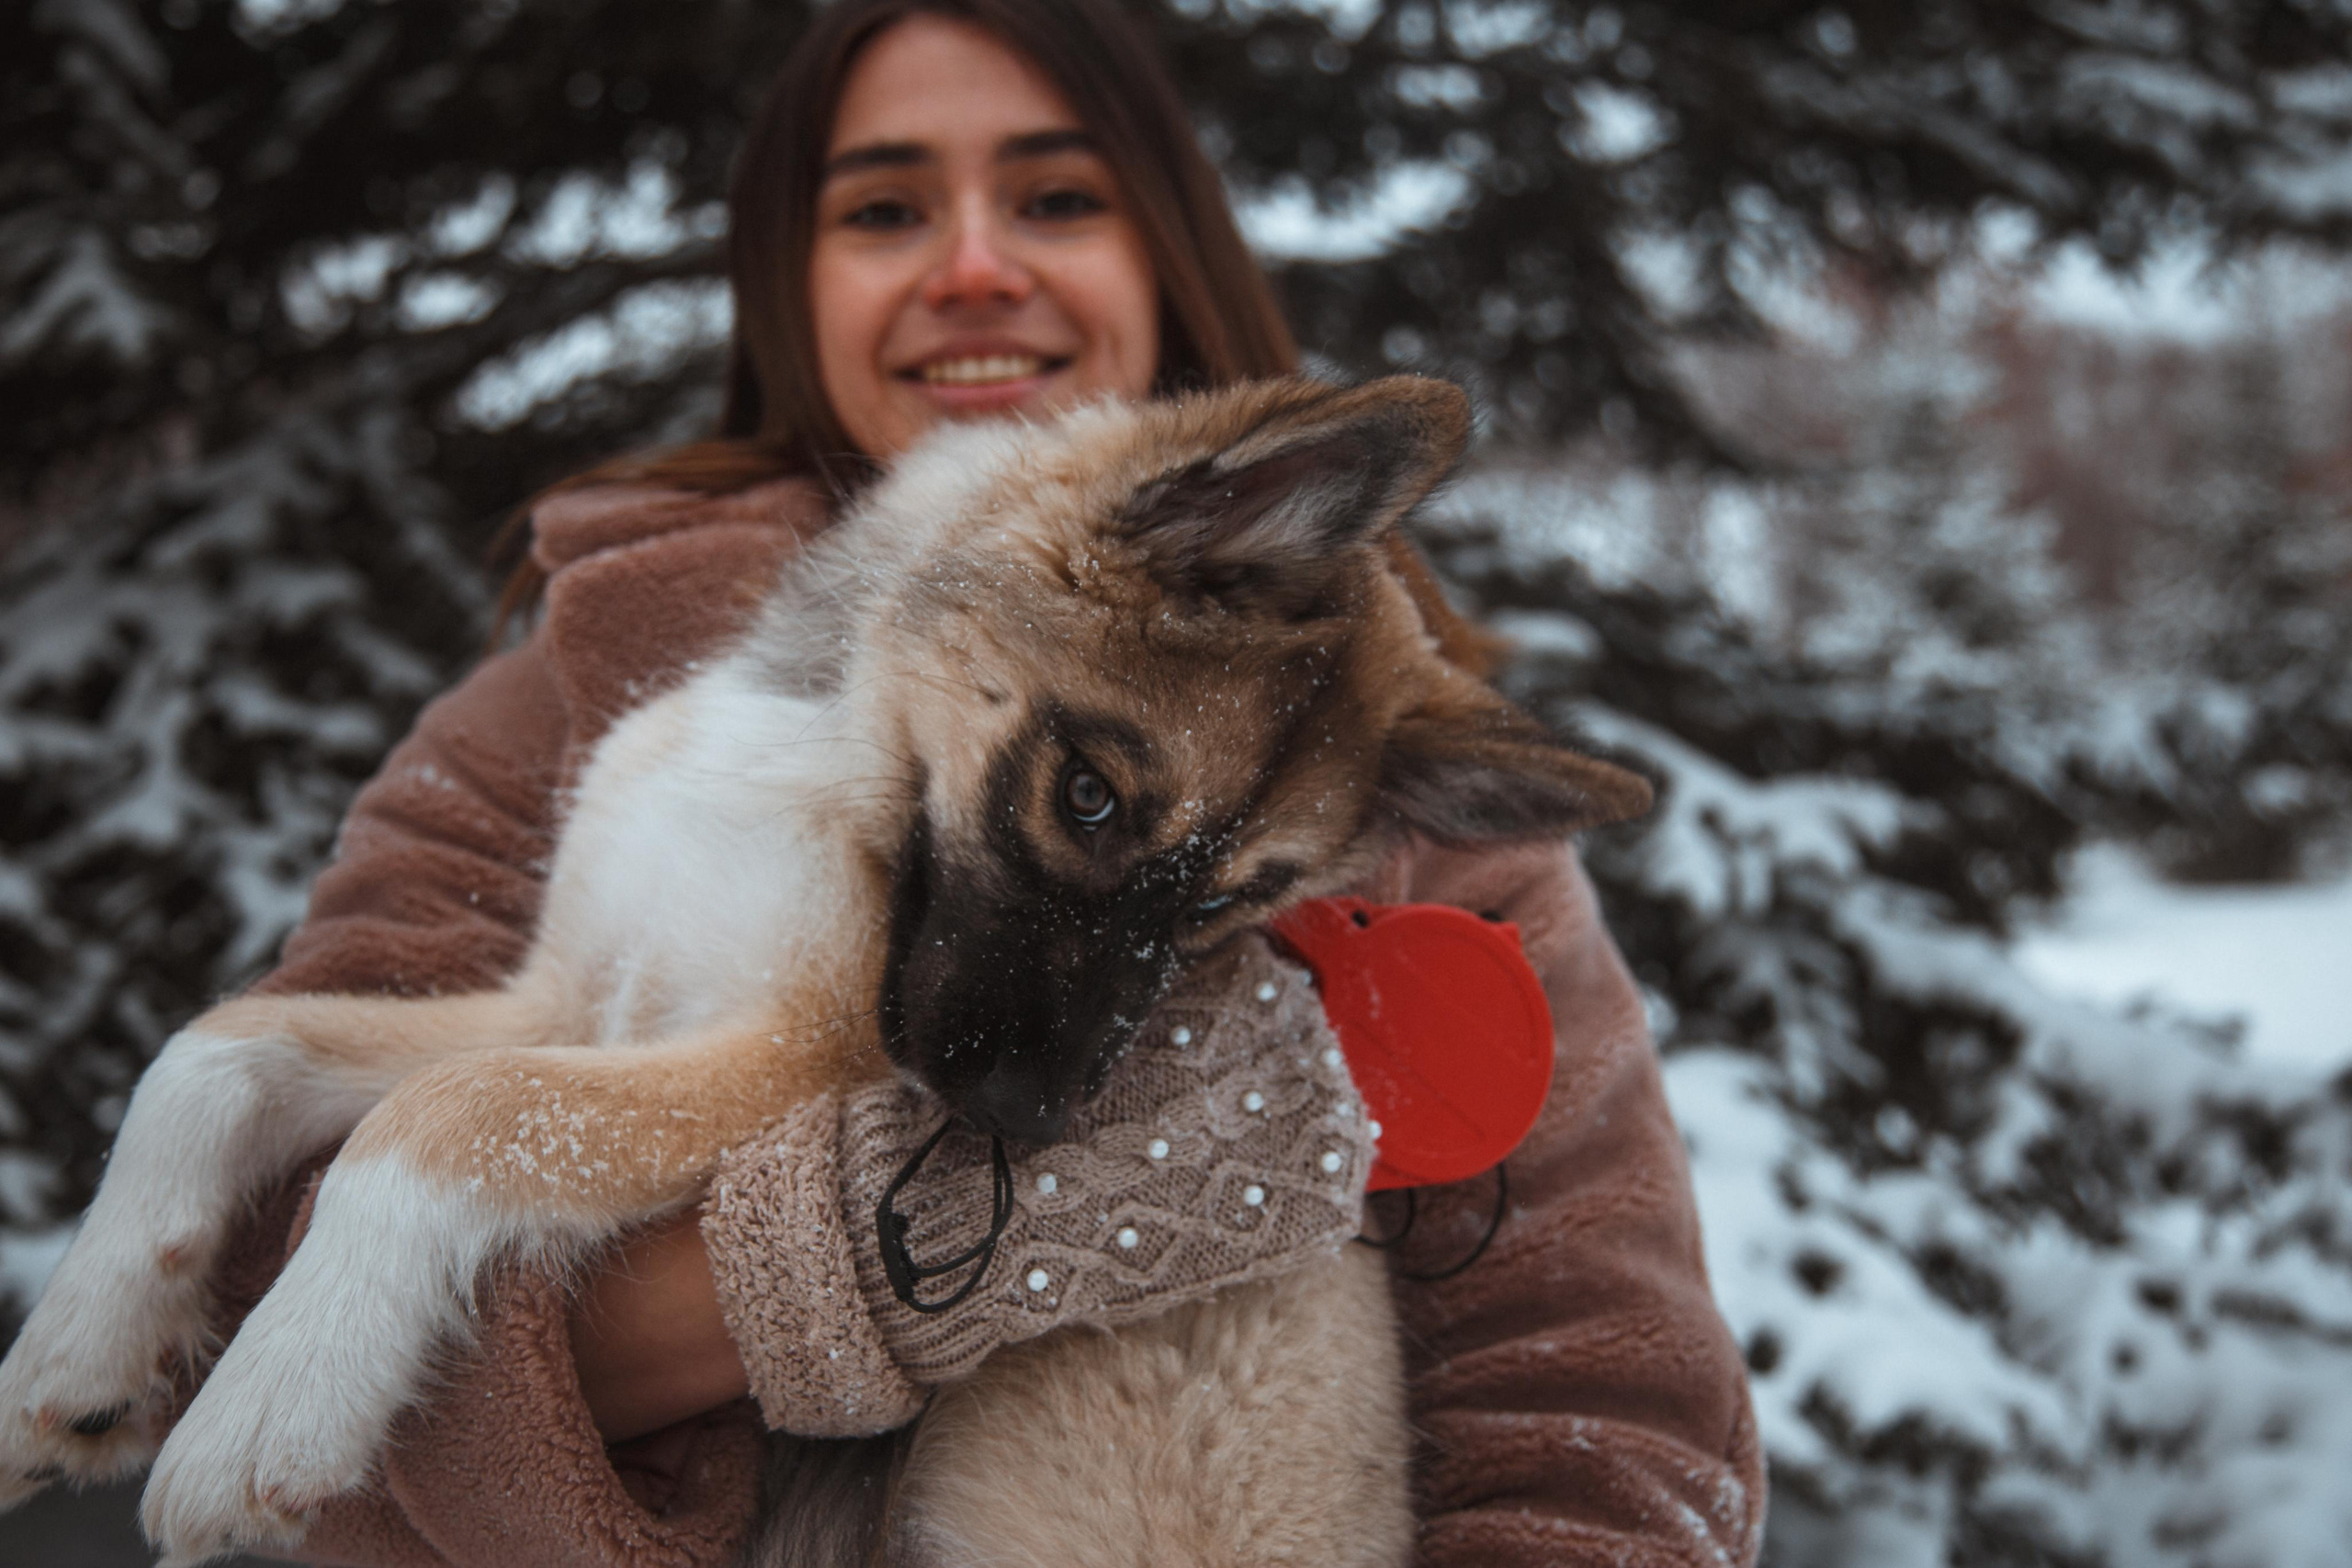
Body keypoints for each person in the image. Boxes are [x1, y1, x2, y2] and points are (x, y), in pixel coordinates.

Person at [202, 0, 1764, 1562]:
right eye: (885, 208)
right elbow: (258, 1335)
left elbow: (1606, 1418)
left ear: (1168, 247)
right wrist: (907, 1247)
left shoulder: (1368, 793)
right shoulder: (544, 715)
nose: (975, 268)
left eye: (1060, 199)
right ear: (785, 282)